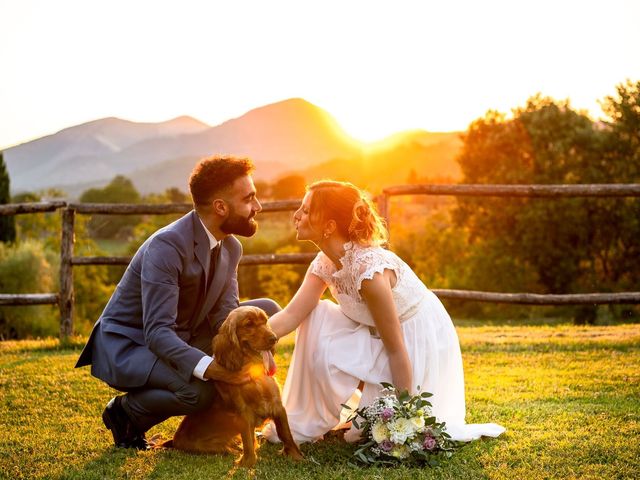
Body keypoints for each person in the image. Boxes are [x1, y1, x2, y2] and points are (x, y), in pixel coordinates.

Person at [263, 180, 505, 444]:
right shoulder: (325, 261)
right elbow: (290, 315)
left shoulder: (369, 273)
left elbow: (396, 348)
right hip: (376, 332)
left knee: (375, 432)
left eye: (306, 210)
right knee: (317, 314)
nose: (297, 216)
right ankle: (311, 416)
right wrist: (248, 341)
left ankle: (392, 408)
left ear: (330, 226)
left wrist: (402, 416)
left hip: (417, 336)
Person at [75, 155, 280, 450]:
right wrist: (216, 369)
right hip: (132, 344)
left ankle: (232, 419)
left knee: (268, 312)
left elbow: (225, 313)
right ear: (220, 207)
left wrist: (254, 346)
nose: (257, 207)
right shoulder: (167, 246)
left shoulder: (231, 246)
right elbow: (157, 332)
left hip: (181, 334)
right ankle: (125, 413)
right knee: (198, 391)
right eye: (249, 199)